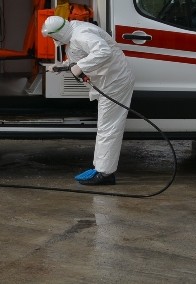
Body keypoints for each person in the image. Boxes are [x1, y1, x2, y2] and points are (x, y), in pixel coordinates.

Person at [41, 14, 134, 186]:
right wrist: (64, 65)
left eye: (53, 36)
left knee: (108, 128)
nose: (53, 40)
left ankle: (105, 174)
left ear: (59, 34)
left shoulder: (80, 35)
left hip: (114, 82)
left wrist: (80, 67)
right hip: (109, 80)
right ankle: (99, 168)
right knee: (105, 126)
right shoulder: (74, 29)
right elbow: (82, 53)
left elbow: (103, 51)